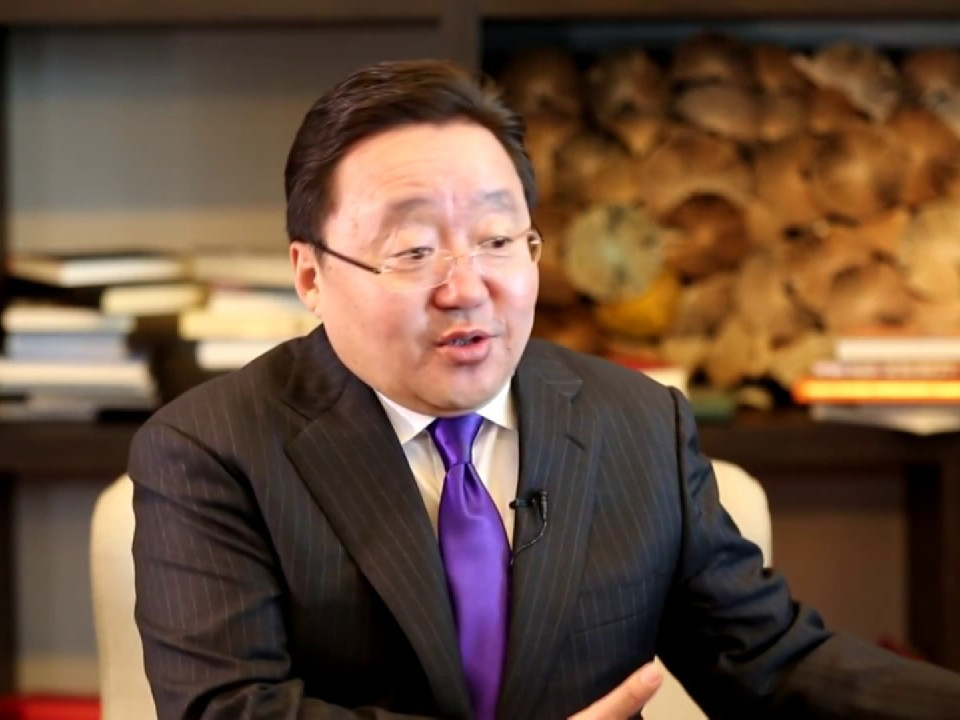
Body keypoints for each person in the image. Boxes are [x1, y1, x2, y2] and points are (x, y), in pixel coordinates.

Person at [128, 58, 960, 720]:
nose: (467, 287)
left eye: (498, 239)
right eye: (413, 251)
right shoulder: (212, 450)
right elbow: (228, 708)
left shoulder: (639, 423)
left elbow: (770, 662)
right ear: (311, 275)